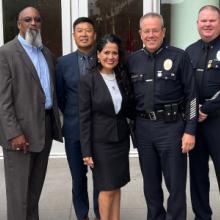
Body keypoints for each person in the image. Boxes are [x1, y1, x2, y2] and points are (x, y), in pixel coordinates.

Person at [127, 12, 197, 220]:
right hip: (144, 129)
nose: (151, 35)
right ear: (140, 34)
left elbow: (192, 97)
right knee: (150, 184)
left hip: (172, 127)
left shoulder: (179, 56)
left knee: (175, 185)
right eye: (146, 31)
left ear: (163, 31)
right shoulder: (132, 60)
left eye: (155, 30)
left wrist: (190, 130)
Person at [0, 6, 62, 220]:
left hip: (44, 129)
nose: (33, 23)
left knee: (34, 192)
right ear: (19, 24)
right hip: (20, 135)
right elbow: (2, 100)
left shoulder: (46, 52)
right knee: (19, 196)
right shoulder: (6, 53)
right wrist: (13, 132)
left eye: (37, 19)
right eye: (28, 19)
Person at [79, 34, 132, 220]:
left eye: (115, 53)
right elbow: (84, 118)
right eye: (107, 52)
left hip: (120, 141)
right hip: (101, 144)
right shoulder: (88, 80)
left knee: (117, 187)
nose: (111, 57)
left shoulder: (121, 77)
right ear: (99, 54)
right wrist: (86, 150)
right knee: (107, 188)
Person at [56, 17, 99, 220]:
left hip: (100, 130)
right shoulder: (63, 63)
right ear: (73, 36)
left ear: (94, 35)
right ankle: (82, 215)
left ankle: (102, 213)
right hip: (74, 130)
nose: (83, 34)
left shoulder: (104, 58)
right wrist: (75, 115)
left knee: (102, 177)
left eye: (88, 30)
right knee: (78, 178)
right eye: (79, 31)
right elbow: (61, 96)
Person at [186, 5, 220, 220]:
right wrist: (192, 112)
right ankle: (202, 216)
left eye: (212, 20)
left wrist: (207, 109)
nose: (207, 24)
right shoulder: (190, 51)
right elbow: (184, 87)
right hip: (195, 123)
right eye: (203, 20)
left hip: (217, 122)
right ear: (197, 23)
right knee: (198, 176)